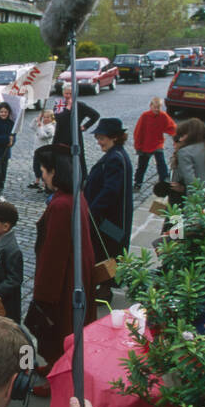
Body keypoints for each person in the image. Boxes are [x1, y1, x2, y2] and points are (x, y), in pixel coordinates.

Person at [28, 144, 98, 373]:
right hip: (75, 272)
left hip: (65, 279)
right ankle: (56, 366)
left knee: (60, 329)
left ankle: (59, 372)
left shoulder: (61, 205)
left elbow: (53, 254)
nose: (43, 177)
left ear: (54, 172)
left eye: (44, 172)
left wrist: (43, 294)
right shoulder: (72, 197)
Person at [82, 119, 133, 309]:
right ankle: (104, 288)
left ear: (114, 138)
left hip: (108, 222)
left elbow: (110, 192)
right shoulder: (116, 155)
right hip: (110, 220)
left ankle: (105, 290)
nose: (99, 141)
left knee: (106, 254)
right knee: (107, 252)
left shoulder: (114, 158)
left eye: (101, 138)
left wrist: (90, 213)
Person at [51, 84, 100, 178]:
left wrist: (85, 126)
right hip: (60, 134)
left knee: (78, 157)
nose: (68, 96)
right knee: (59, 156)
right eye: (66, 93)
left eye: (70, 94)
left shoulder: (80, 105)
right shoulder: (59, 104)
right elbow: (59, 119)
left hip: (74, 134)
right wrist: (68, 108)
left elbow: (95, 115)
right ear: (63, 93)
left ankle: (81, 179)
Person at [132, 97, 176, 192]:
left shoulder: (163, 116)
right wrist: (138, 146)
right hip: (145, 145)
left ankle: (164, 181)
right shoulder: (145, 116)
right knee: (142, 166)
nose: (157, 110)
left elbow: (171, 127)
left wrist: (177, 136)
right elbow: (138, 132)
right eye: (155, 107)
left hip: (157, 144)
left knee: (161, 163)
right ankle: (138, 183)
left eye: (159, 107)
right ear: (151, 106)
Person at [29, 108, 55, 190]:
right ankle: (37, 181)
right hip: (37, 150)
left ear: (52, 119)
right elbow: (32, 126)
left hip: (45, 151)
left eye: (48, 117)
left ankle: (44, 184)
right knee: (36, 166)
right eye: (44, 117)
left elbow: (43, 136)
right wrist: (37, 119)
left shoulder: (51, 128)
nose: (45, 119)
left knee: (43, 168)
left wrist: (40, 127)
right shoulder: (42, 124)